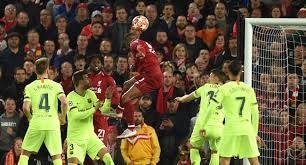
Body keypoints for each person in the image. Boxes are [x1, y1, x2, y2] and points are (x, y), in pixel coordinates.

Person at [204, 60, 260, 165]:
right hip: (247, 128)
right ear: (241, 72)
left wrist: (204, 124)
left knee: (225, 159)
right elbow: (255, 112)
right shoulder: (249, 89)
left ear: (228, 72)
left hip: (231, 128)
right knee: (254, 161)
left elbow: (211, 107)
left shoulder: (223, 89)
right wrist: (255, 133)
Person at [18, 58, 68, 165]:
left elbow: (25, 108)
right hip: (53, 123)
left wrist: (30, 118)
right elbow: (64, 103)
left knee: (25, 153)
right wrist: (63, 117)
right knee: (56, 156)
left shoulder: (29, 87)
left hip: (37, 123)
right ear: (47, 70)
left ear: (35, 70)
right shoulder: (56, 85)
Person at [116, 32, 163, 138]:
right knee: (126, 84)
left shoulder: (135, 44)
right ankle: (119, 110)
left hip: (151, 77)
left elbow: (140, 50)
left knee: (125, 97)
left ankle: (131, 128)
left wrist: (139, 54)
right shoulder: (146, 44)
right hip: (150, 74)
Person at [176, 69, 227, 165]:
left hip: (203, 124)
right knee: (215, 152)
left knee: (193, 147)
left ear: (216, 78)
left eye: (211, 76)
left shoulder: (206, 87)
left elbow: (190, 97)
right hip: (218, 126)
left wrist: (181, 99)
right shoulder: (226, 91)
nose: (209, 79)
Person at [66, 70, 114, 165]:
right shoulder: (70, 97)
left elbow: (103, 110)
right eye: (86, 78)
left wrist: (108, 99)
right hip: (75, 139)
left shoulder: (90, 93)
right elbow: (77, 116)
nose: (89, 79)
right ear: (80, 81)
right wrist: (94, 108)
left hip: (90, 136)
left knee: (108, 158)